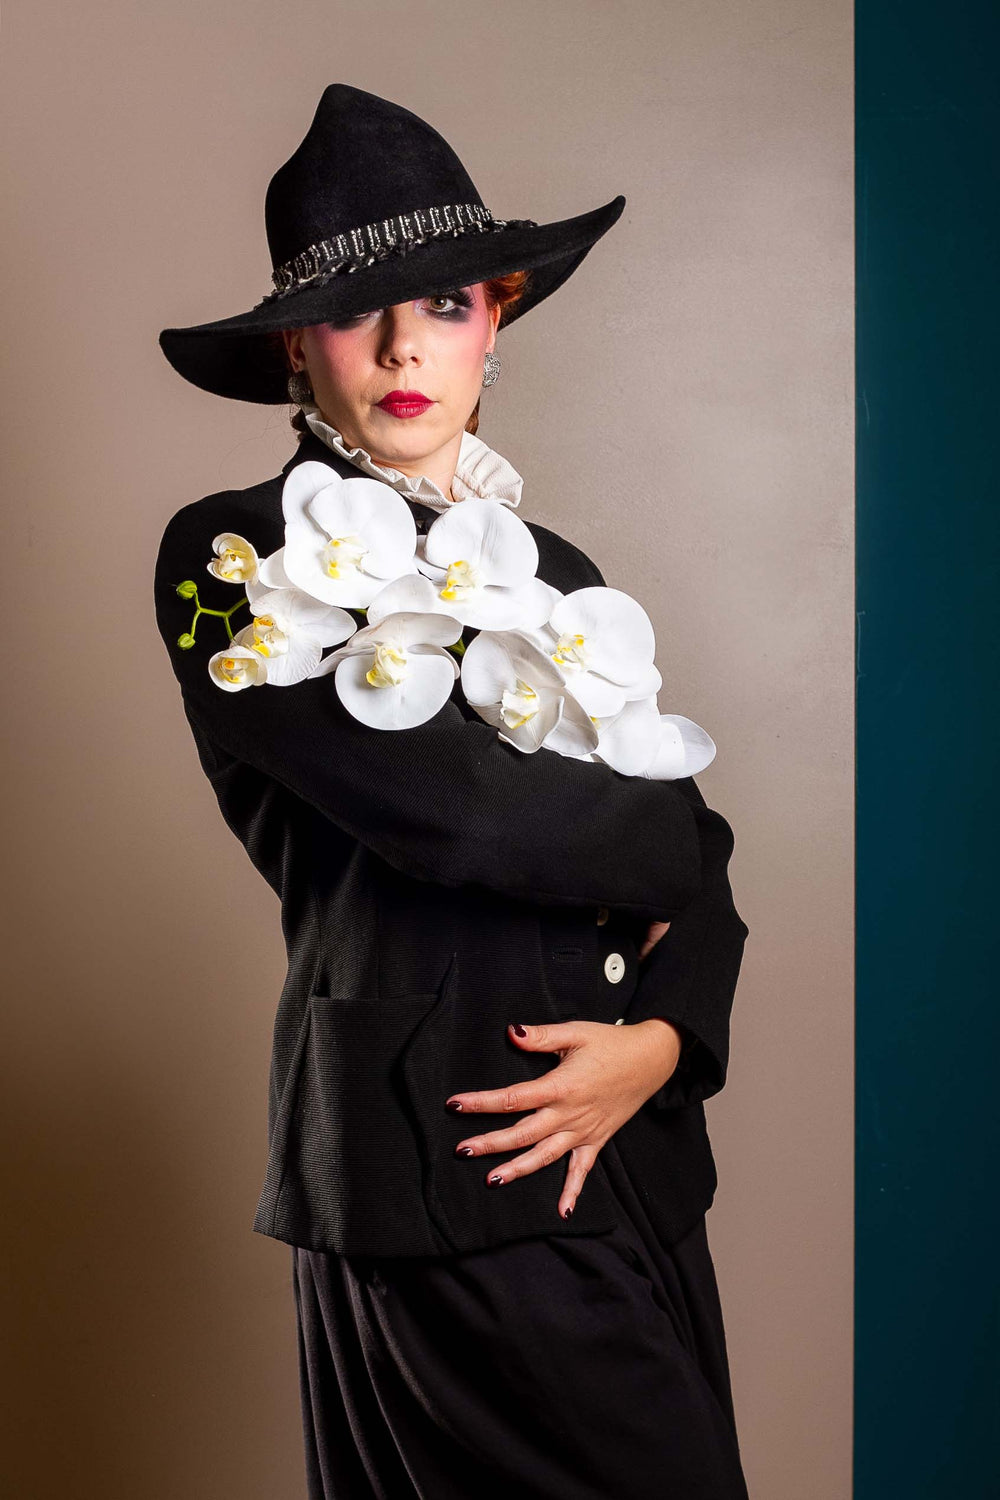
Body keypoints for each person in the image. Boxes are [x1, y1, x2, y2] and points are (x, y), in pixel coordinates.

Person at [155, 82, 751, 1499]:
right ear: (297, 345)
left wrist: (667, 1039)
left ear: (497, 321)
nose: (403, 347)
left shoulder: (562, 575)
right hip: (437, 1149)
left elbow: (700, 862)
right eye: (355, 314)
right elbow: (461, 812)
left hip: (635, 1157)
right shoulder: (227, 559)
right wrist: (677, 841)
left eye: (444, 304)